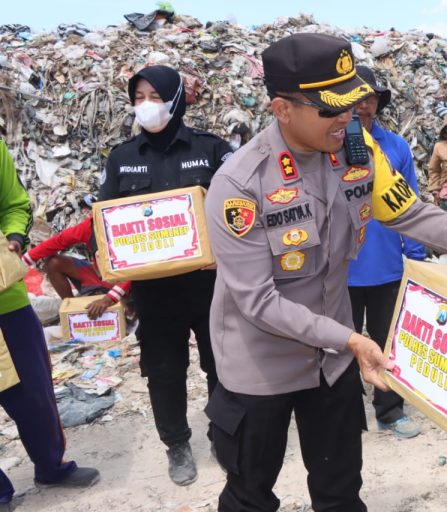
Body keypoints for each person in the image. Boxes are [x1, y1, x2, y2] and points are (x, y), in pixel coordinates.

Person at [203, 33, 447, 512]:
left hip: (332, 363)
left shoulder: (358, 152)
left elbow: (411, 213)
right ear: (281, 109)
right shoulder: (239, 185)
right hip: (261, 365)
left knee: (340, 490)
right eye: (330, 109)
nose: (346, 118)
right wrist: (352, 339)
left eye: (351, 103)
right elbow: (258, 301)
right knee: (249, 494)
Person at [98, 65, 233, 486]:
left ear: (175, 99)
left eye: (154, 97)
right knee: (164, 370)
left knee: (223, 365)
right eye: (138, 98)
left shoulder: (211, 150)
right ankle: (176, 445)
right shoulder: (122, 160)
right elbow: (105, 224)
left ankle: (223, 435)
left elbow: (238, 213)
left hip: (210, 285)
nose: (146, 106)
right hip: (154, 292)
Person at [0, 139, 99, 511]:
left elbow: (15, 204)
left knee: (35, 390)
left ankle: (51, 466)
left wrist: (13, 237)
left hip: (5, 298)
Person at [347, 65, 426, 439]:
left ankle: (390, 410)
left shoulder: (396, 147)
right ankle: (345, 415)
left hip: (388, 268)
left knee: (389, 341)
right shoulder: (329, 148)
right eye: (357, 98)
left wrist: (416, 257)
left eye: (371, 98)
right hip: (342, 270)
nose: (364, 106)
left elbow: (411, 207)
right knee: (341, 346)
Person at [20, 215, 132, 320]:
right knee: (53, 263)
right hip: (101, 275)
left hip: (129, 279)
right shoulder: (90, 225)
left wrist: (108, 299)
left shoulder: (131, 225)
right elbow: (58, 241)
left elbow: (138, 269)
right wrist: (20, 264)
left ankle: (126, 303)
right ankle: (73, 312)